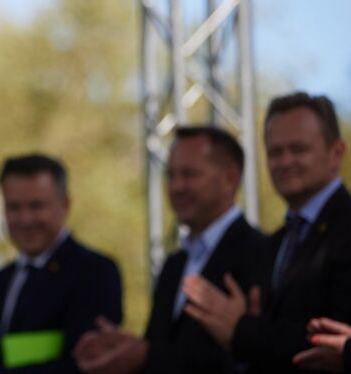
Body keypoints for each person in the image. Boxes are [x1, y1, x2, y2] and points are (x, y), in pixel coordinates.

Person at [73, 126, 265, 373]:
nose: (177, 186)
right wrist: (123, 350)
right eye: (170, 175)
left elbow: (252, 358)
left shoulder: (260, 254)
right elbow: (161, 349)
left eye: (190, 174)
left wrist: (145, 355)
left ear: (230, 178)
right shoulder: (175, 264)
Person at [182, 92, 351, 373]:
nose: (285, 161)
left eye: (298, 149)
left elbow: (333, 341)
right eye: (275, 152)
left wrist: (242, 331)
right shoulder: (274, 244)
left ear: (336, 153)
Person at [0, 154, 122, 373]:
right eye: (14, 207)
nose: (25, 219)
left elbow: (83, 365)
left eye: (37, 206)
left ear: (65, 204)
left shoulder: (95, 273)